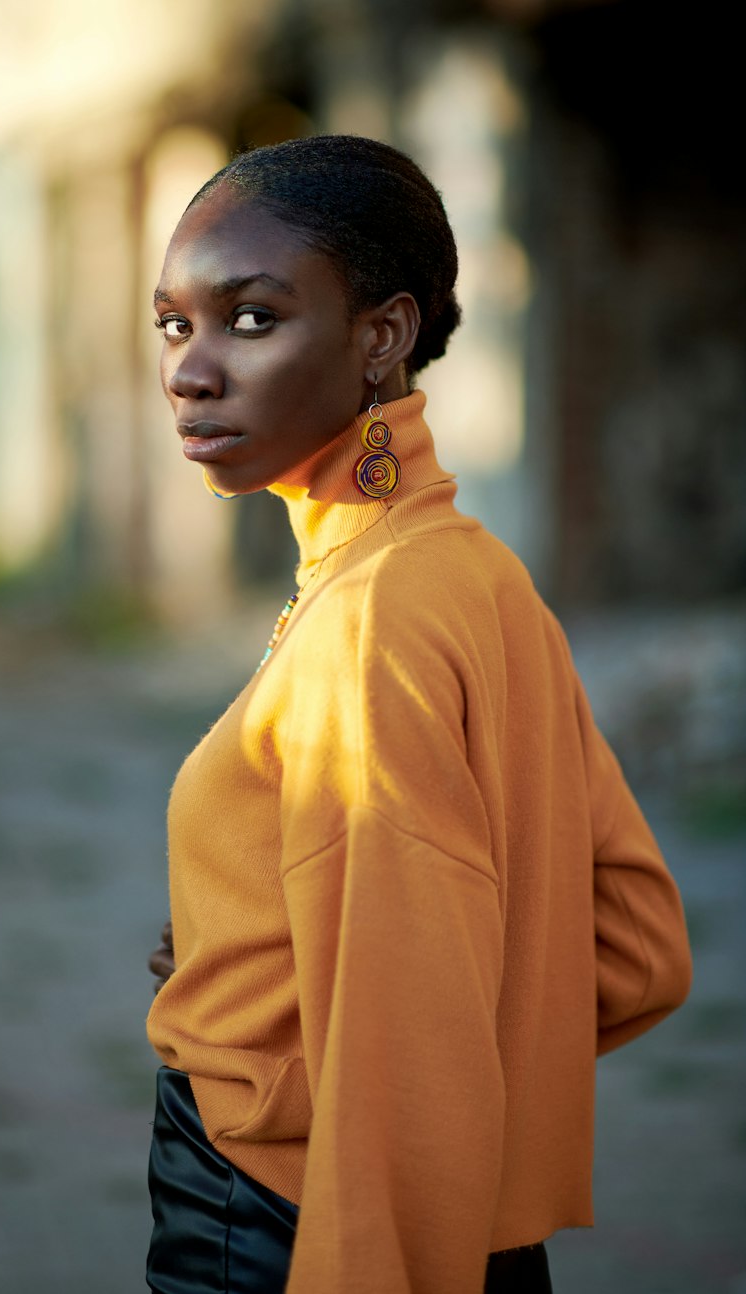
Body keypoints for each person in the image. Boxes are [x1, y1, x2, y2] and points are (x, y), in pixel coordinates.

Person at [143, 134, 692, 1294]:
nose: (192, 369)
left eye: (249, 319)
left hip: (295, 1217)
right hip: (412, 1210)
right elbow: (633, 947)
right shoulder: (468, 572)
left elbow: (407, 1052)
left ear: (380, 335)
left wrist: (340, 1061)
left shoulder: (375, 617)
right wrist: (268, 966)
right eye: (173, 324)